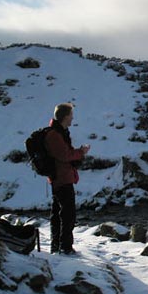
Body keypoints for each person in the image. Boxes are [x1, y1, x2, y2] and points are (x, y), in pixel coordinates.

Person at [45, 103, 90, 255]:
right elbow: (64, 155)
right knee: (67, 214)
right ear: (65, 116)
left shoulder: (61, 132)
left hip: (62, 178)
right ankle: (65, 248)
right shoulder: (55, 135)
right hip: (61, 178)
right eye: (71, 115)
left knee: (59, 213)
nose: (73, 118)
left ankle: (58, 246)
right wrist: (81, 152)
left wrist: (78, 153)